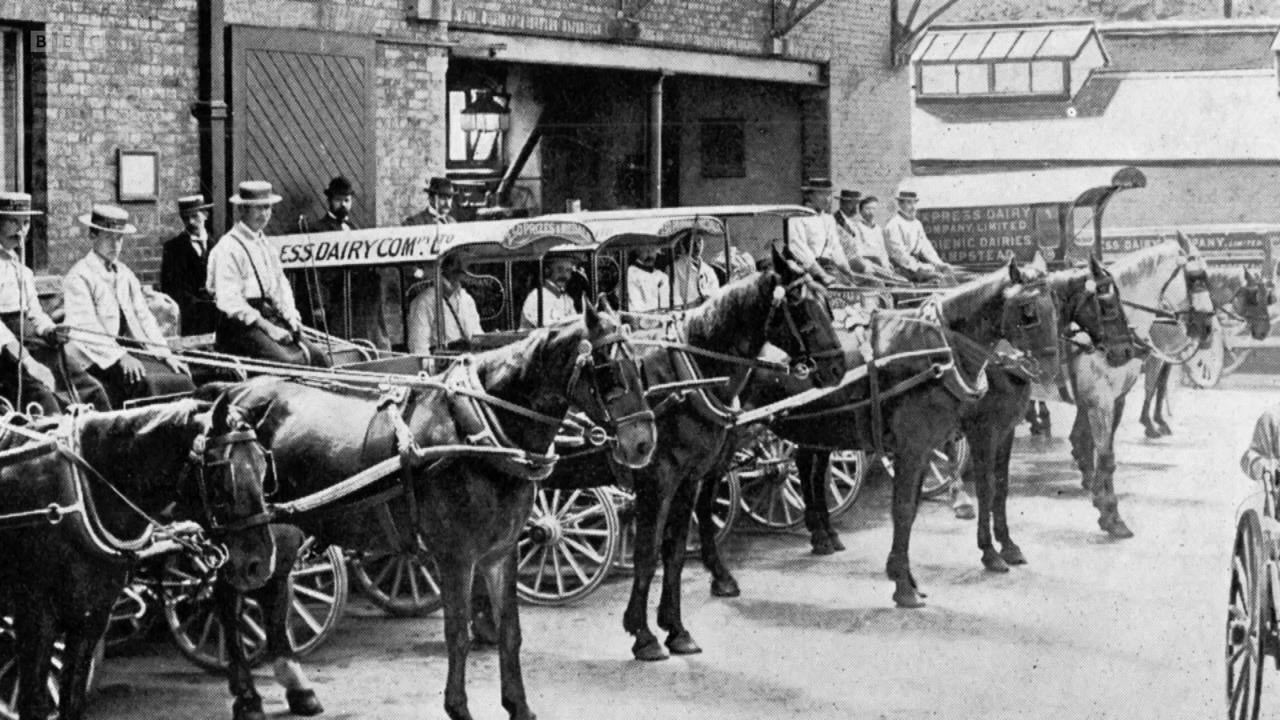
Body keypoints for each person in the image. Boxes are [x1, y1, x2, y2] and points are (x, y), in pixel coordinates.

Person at [63, 204, 195, 406]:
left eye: (119, 238)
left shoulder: (125, 274)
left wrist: (165, 355)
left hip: (129, 350)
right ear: (93, 235)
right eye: (108, 237)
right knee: (150, 383)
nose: (115, 244)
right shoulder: (79, 276)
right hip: (95, 355)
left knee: (179, 378)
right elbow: (86, 329)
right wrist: (120, 356)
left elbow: (145, 318)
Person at [207, 180, 331, 367]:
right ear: (242, 210)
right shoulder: (227, 248)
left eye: (268, 208)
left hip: (269, 316)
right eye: (258, 209)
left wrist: (291, 318)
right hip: (241, 327)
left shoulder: (266, 246)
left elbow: (280, 286)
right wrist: (269, 328)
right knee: (288, 362)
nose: (264, 214)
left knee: (318, 357)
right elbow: (230, 301)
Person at [309, 176, 390, 349]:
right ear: (329, 201)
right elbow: (312, 272)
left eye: (347, 200)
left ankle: (373, 348)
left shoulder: (354, 228)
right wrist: (318, 304)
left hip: (357, 295)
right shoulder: (318, 229)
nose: (343, 205)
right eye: (338, 200)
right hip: (333, 295)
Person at [787, 178, 863, 286]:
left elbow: (835, 247)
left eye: (829, 194)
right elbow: (799, 249)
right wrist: (822, 275)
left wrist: (846, 270)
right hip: (807, 272)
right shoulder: (797, 218)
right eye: (821, 194)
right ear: (809, 196)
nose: (827, 199)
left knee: (854, 290)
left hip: (829, 269)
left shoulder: (829, 219)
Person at [160, 193, 217, 335]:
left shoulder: (218, 246)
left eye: (195, 216)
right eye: (186, 218)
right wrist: (203, 306)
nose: (190, 222)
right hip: (191, 317)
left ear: (205, 215)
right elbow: (172, 289)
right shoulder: (173, 249)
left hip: (220, 317)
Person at [407, 254, 482, 353]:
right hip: (442, 363)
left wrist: (490, 340)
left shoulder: (467, 299)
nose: (460, 266)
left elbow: (475, 335)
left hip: (469, 360)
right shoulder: (425, 301)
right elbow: (419, 347)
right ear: (443, 267)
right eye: (454, 263)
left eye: (462, 262)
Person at [884, 189, 954, 282]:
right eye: (909, 203)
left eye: (914, 203)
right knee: (938, 279)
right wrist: (918, 268)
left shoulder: (917, 224)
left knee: (950, 275)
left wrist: (939, 264)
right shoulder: (893, 225)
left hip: (915, 265)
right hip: (901, 268)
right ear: (900, 204)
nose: (913, 207)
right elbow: (899, 254)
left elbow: (926, 247)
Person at [520, 256, 579, 328]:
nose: (564, 275)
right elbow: (548, 328)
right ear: (547, 271)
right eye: (560, 270)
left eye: (568, 270)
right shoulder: (537, 296)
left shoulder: (567, 299)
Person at [670, 230, 721, 307]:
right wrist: (691, 304)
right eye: (692, 242)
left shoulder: (709, 270)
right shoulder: (675, 268)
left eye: (699, 241)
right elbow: (675, 297)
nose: (697, 246)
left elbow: (716, 293)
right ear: (685, 244)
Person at [626, 246, 668, 312]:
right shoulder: (630, 274)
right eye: (645, 249)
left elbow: (671, 302)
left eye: (653, 249)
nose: (650, 254)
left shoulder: (662, 276)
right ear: (637, 251)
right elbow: (637, 307)